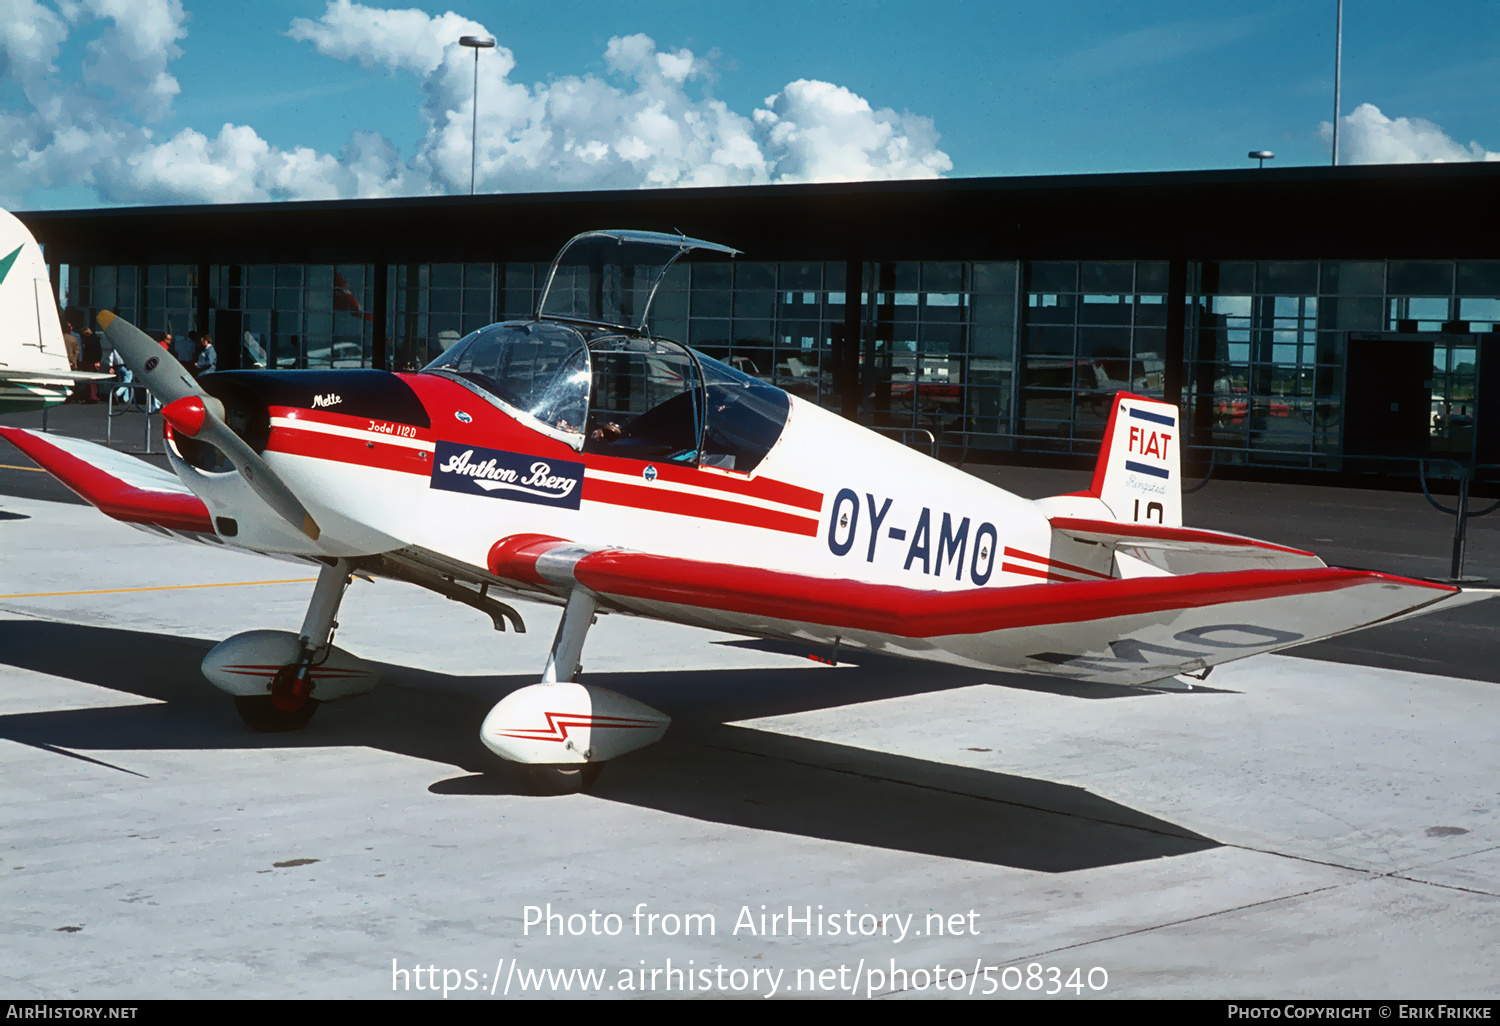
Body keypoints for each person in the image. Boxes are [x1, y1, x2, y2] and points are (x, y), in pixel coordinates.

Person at [79, 326, 102, 402]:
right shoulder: (96, 339)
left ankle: (92, 396)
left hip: (90, 362)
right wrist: (98, 361)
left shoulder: (88, 340)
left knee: (91, 380)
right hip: (95, 361)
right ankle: (94, 395)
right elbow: (99, 351)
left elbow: (89, 353)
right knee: (94, 379)